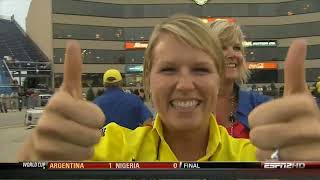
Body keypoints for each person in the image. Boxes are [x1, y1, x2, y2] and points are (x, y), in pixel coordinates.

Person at [17, 15, 320, 161]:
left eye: (201, 69)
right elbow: (48, 160)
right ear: (147, 79)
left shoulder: (253, 156)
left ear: (220, 79)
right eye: (169, 69)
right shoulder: (112, 148)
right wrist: (35, 156)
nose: (185, 85)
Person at [209, 20, 271, 138]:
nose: (232, 54)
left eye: (237, 48)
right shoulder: (191, 105)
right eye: (222, 48)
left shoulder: (259, 105)